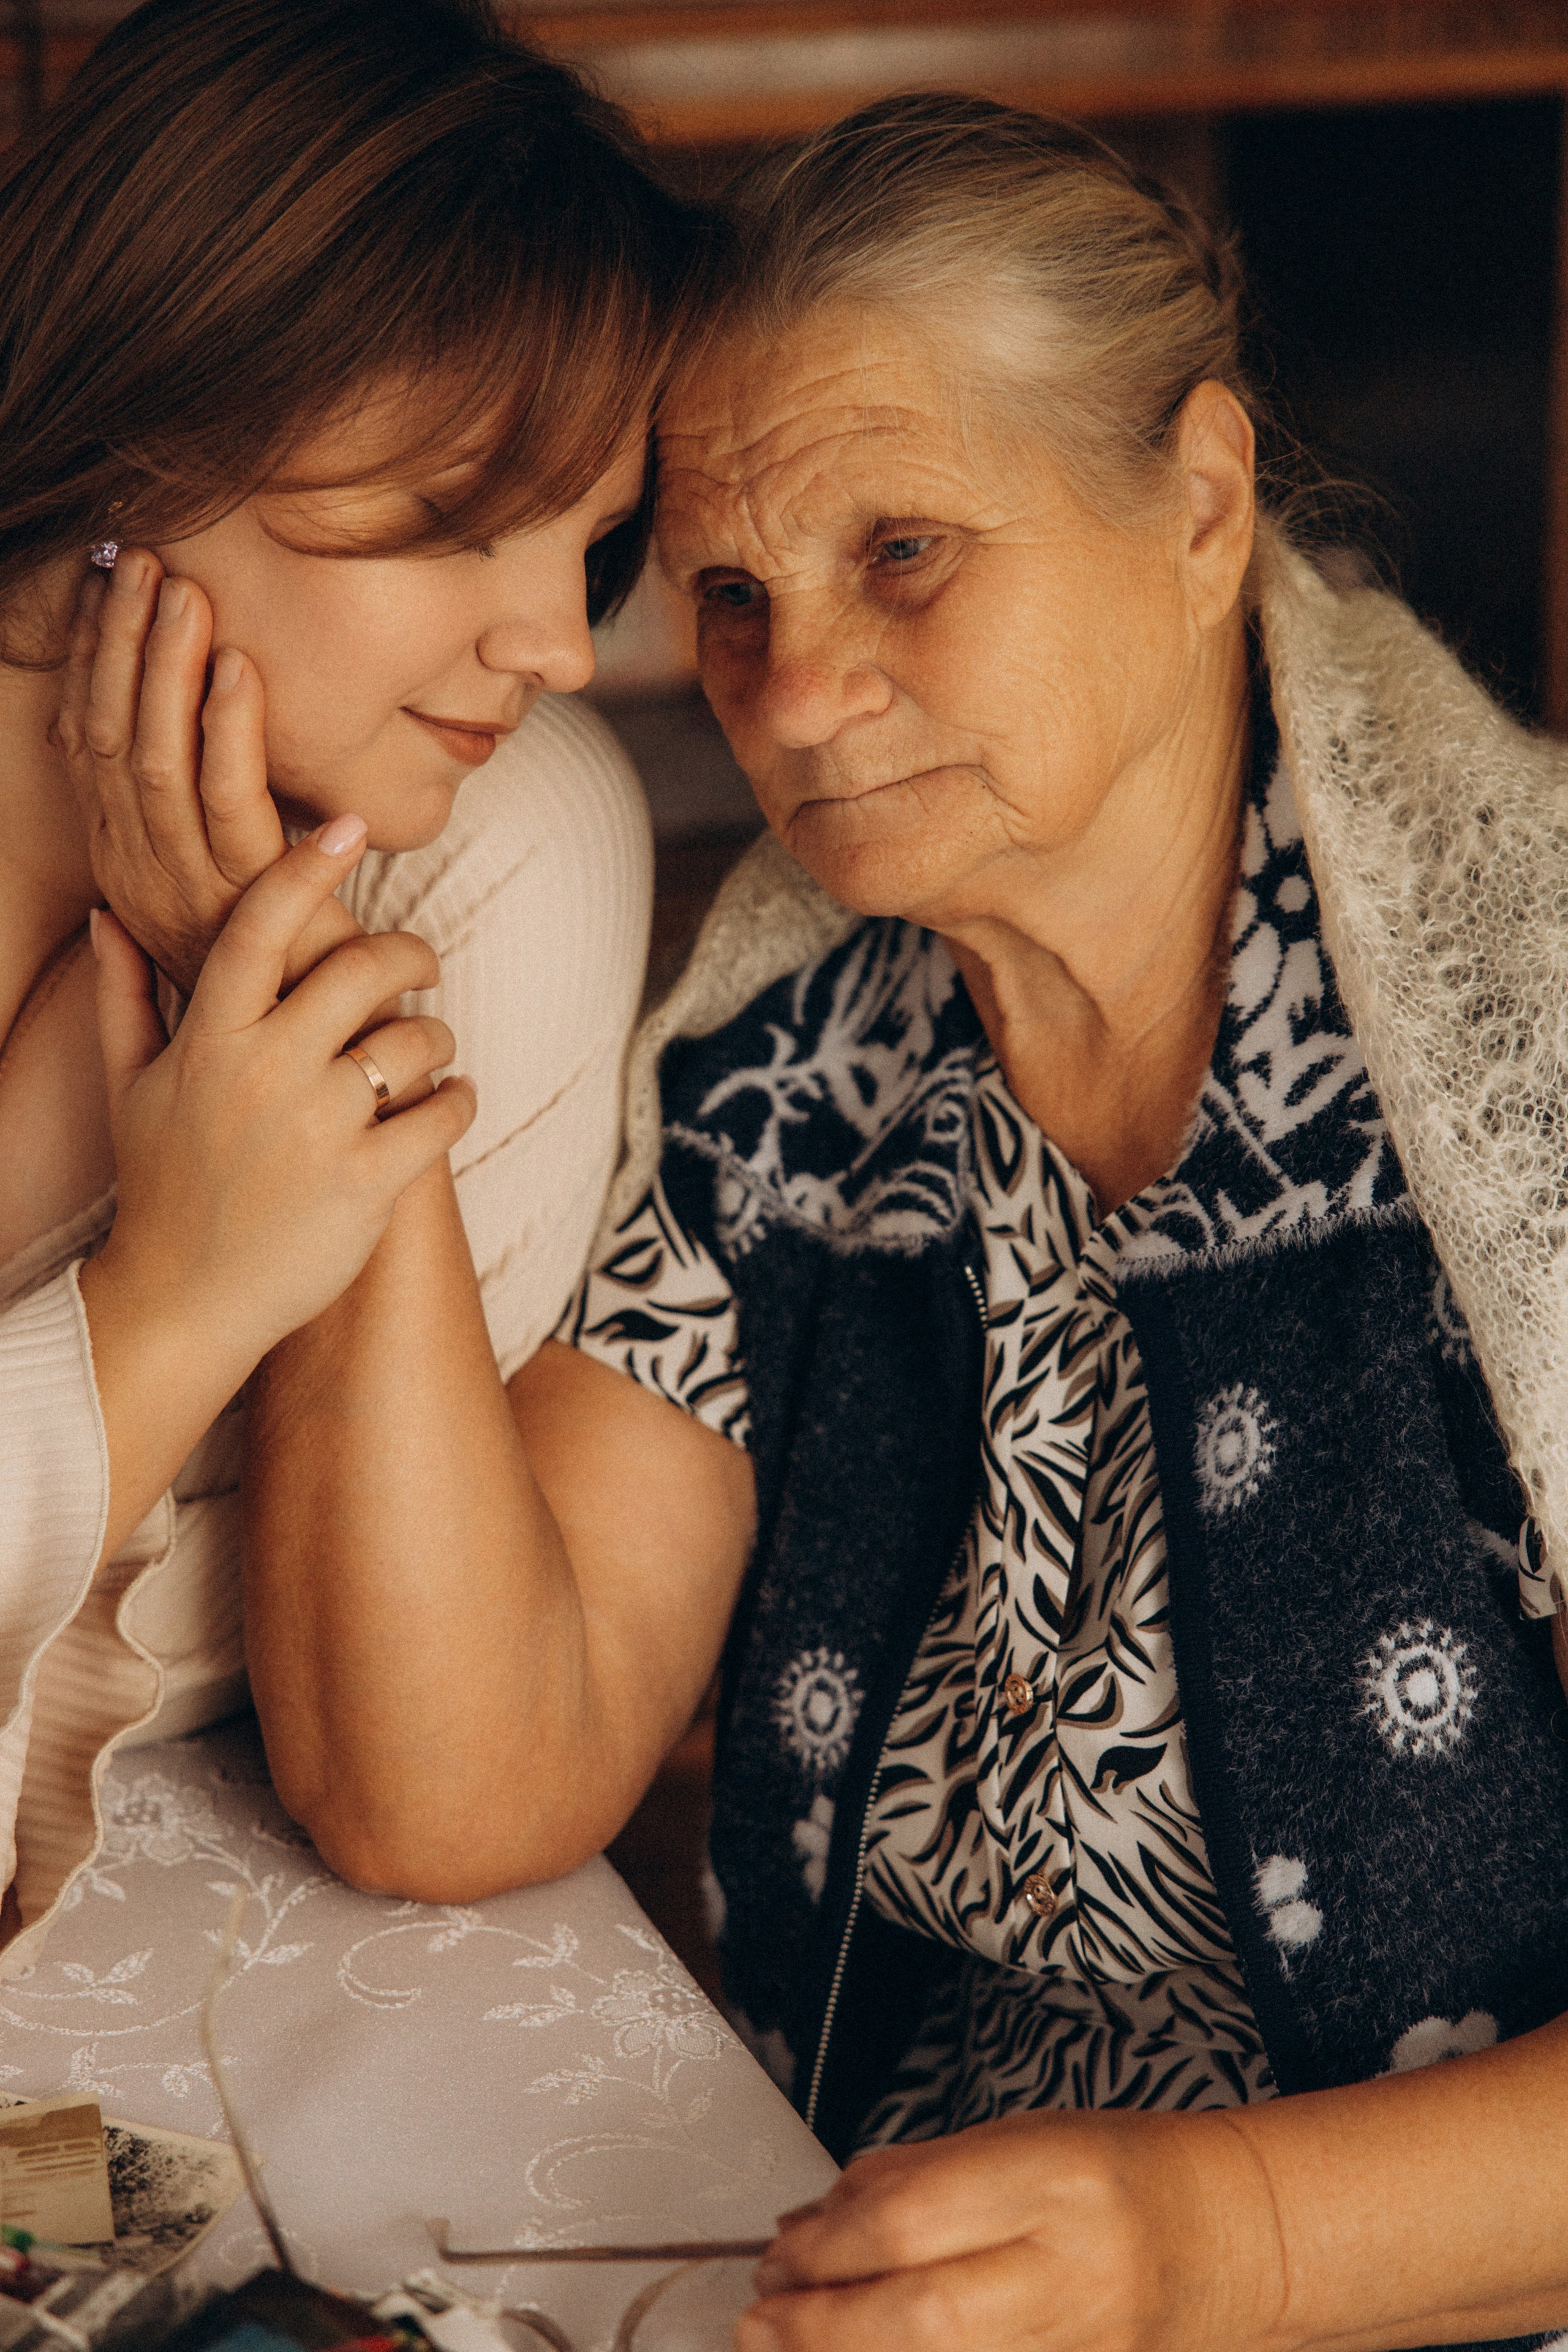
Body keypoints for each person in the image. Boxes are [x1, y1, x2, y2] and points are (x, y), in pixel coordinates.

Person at [498, 93, 1568, 2352]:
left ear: (1196, 501)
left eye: (903, 551)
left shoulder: (1529, 1035)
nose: (791, 691)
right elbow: (484, 1762)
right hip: (884, 2271)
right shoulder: (789, 1056)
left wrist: (1214, 2249)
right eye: (729, 596)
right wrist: (348, 1050)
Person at [0, 0, 710, 1967]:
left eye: (591, 543)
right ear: (149, 431)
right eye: (463, 521)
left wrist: (280, 985)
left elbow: (425, 1778)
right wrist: (175, 1299)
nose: (561, 644)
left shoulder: (489, 848)